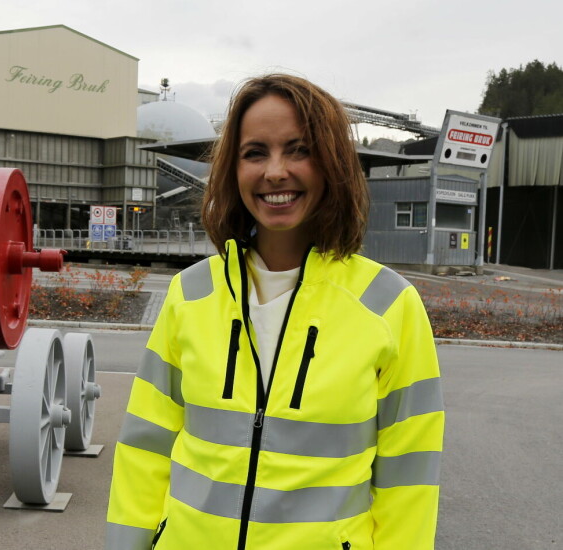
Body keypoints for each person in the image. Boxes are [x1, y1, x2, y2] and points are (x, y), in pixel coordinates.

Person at [105, 74, 444, 550]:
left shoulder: (389, 306)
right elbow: (145, 449)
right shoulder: (190, 294)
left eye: (299, 150)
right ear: (232, 169)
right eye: (255, 152)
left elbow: (409, 481)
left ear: (332, 164)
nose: (275, 171)